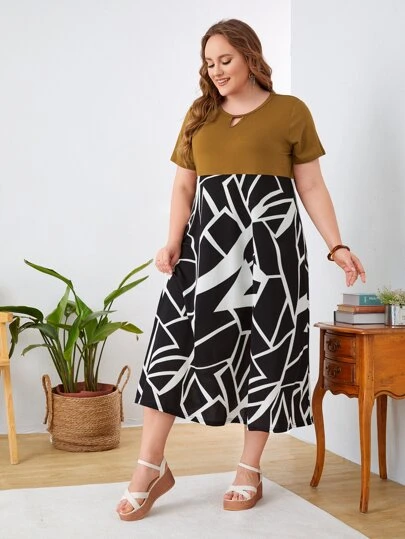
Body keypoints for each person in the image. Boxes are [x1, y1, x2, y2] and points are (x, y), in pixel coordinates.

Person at [116, 18, 366, 521]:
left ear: (251, 57)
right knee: (169, 348)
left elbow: (310, 185)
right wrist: (173, 241)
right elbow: (184, 185)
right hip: (206, 249)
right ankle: (149, 467)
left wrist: (335, 245)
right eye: (209, 63)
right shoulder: (199, 114)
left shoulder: (290, 111)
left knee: (267, 350)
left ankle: (249, 468)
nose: (216, 70)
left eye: (225, 59)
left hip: (271, 254)